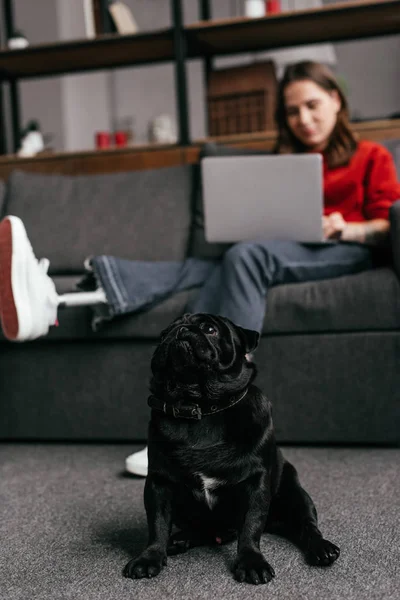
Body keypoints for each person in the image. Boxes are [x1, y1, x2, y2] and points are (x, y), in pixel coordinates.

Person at [1, 61, 399, 477]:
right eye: (292, 111)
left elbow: (387, 224)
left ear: (336, 100)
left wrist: (346, 228)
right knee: (204, 265)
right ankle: (53, 298)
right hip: (274, 248)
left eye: (313, 105)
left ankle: (202, 417)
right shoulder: (282, 162)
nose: (304, 119)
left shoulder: (371, 155)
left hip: (344, 249)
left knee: (246, 257)